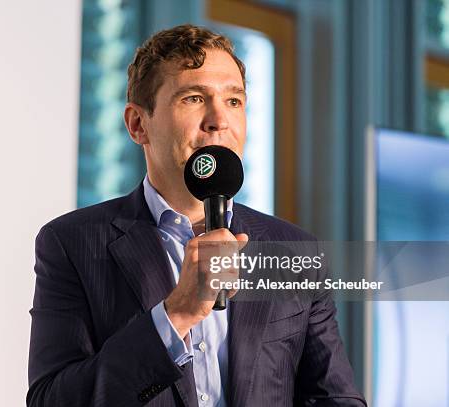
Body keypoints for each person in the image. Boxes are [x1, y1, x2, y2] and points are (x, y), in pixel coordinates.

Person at [27, 24, 366, 407]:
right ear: (138, 125)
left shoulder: (295, 251)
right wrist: (175, 315)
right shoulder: (72, 243)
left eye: (234, 101)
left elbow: (336, 399)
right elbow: (51, 400)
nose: (219, 120)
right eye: (193, 98)